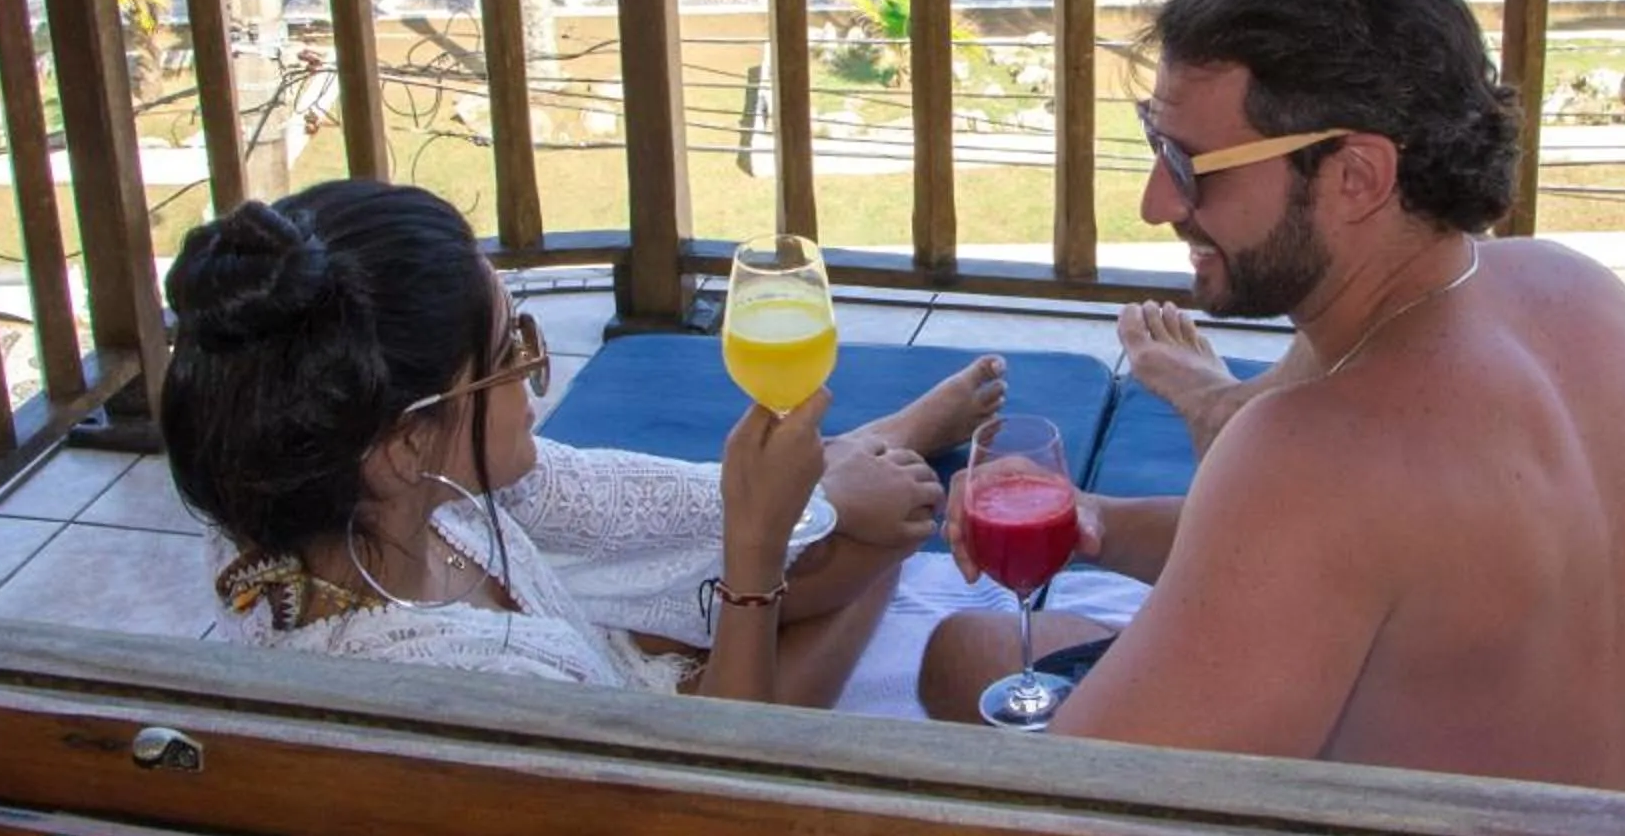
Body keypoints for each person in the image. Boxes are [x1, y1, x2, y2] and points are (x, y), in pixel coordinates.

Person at [917, 0, 1625, 797]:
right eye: (1156, 143)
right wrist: (1097, 523)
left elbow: (1071, 819)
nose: (1158, 202)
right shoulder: (1580, 295)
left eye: (1192, 163)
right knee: (963, 653)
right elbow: (1335, 561)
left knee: (962, 704)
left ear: (1357, 176)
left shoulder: (1313, 458)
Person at [161, 181, 1004, 707]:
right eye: (506, 354)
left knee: (823, 529)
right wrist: (755, 550)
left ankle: (871, 452)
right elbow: (712, 809)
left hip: (603, 659)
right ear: (400, 441)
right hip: (659, 755)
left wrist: (801, 501)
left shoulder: (318, 492)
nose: (538, 372)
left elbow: (615, 500)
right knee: (878, 544)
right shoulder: (465, 688)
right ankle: (879, 474)